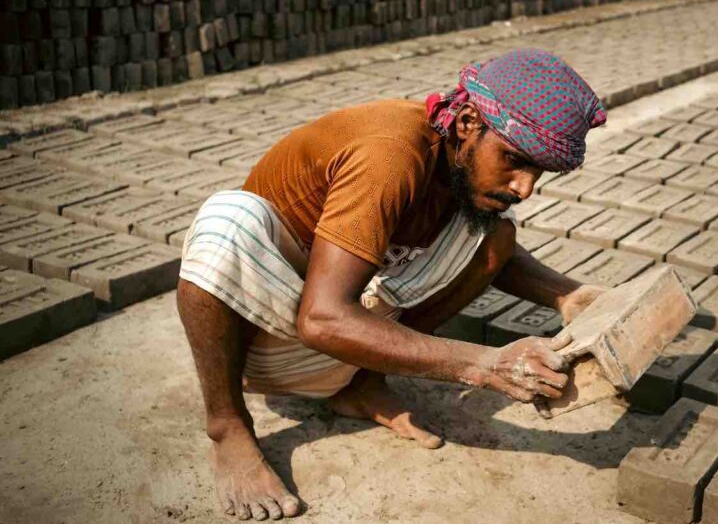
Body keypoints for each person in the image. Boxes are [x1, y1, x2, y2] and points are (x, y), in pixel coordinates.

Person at [176, 48, 609, 521]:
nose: (524, 187)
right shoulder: (390, 154)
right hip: (256, 336)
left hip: (335, 346)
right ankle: (227, 425)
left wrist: (569, 296)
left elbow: (492, 257)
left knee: (493, 233)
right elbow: (321, 318)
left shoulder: (455, 165)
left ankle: (358, 382)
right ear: (467, 123)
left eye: (538, 172)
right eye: (513, 159)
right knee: (226, 221)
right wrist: (484, 364)